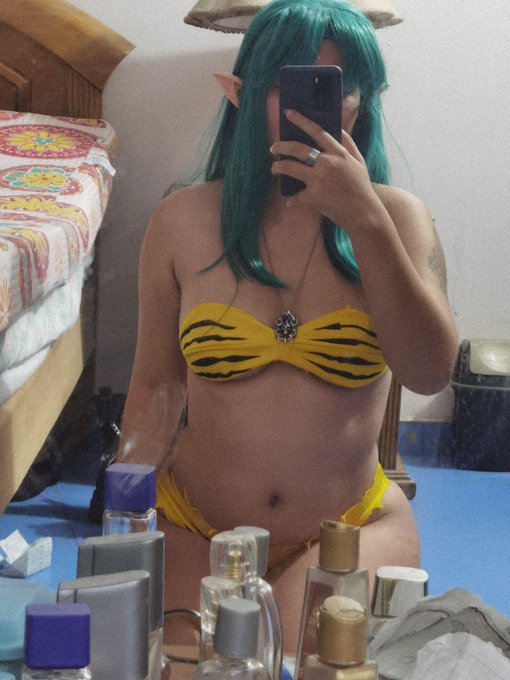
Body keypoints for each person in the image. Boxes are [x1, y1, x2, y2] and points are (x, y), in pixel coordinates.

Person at [119, 0, 458, 654]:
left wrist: (366, 222)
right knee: (186, 666)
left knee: (319, 664)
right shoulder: (181, 221)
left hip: (350, 529)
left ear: (365, 101)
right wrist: (123, 505)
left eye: (336, 87)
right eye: (289, 84)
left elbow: (428, 372)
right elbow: (156, 386)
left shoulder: (399, 219)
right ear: (239, 94)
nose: (310, 108)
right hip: (192, 522)